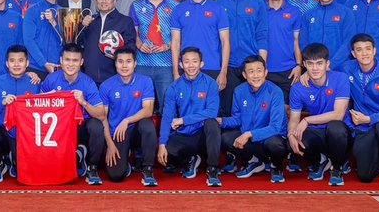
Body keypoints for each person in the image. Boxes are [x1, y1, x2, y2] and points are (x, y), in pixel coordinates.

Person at [338, 34, 379, 189]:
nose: (364, 53)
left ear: (374, 50)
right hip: (363, 126)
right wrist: (306, 73)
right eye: (359, 50)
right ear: (353, 54)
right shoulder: (347, 68)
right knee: (365, 176)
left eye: (368, 49)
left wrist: (369, 118)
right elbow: (328, 74)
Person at [40, 43, 106, 185]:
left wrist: (84, 102)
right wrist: (47, 98)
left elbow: (101, 114)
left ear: (81, 62)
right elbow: (38, 109)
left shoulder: (88, 83)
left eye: (75, 60)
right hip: (57, 129)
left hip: (79, 128)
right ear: (61, 60)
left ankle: (92, 167)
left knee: (96, 125)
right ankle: (76, 156)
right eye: (67, 60)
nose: (71, 64)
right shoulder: (51, 80)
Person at [288, 43, 351, 186]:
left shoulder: (340, 78)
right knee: (291, 139)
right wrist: (291, 134)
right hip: (318, 131)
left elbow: (338, 114)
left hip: (342, 132)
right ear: (304, 64)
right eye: (310, 63)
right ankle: (321, 160)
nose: (315, 68)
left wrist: (307, 120)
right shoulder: (298, 87)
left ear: (327, 64)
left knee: (336, 127)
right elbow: (294, 119)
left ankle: (337, 167)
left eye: (319, 63)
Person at [158, 47, 222, 187]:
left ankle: (212, 169)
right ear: (181, 64)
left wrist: (183, 120)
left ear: (201, 64)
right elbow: (167, 117)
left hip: (201, 135)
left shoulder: (210, 83)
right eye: (187, 62)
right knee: (165, 154)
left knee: (212, 123)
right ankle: (190, 160)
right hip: (183, 135)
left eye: (195, 61)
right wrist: (162, 144)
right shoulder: (174, 88)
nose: (191, 65)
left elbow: (212, 111)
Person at [218, 55, 288, 183]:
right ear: (244, 75)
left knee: (275, 144)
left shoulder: (275, 92)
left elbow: (275, 127)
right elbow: (238, 119)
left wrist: (249, 134)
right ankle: (253, 160)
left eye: (259, 70)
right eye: (251, 71)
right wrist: (220, 122)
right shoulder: (239, 91)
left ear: (266, 72)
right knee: (225, 138)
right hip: (251, 139)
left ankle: (276, 167)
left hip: (270, 138)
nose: (256, 75)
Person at [171, 0, 230, 113]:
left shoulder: (217, 8)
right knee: (185, 111)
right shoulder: (178, 9)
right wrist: (175, 73)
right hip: (185, 68)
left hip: (212, 68)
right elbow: (175, 43)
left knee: (211, 113)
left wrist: (223, 72)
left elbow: (225, 42)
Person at [99, 47, 157, 186]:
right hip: (117, 133)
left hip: (135, 128)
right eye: (120, 61)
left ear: (135, 63)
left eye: (128, 61)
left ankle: (148, 169)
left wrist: (127, 120)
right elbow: (102, 118)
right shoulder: (106, 86)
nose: (124, 66)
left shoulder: (145, 81)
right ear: (115, 64)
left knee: (148, 125)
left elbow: (148, 110)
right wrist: (110, 144)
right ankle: (125, 158)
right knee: (116, 175)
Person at [216, 0, 268, 115]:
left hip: (251, 64)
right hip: (227, 65)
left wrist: (262, 66)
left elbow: (262, 35)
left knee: (253, 109)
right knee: (228, 109)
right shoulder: (219, 4)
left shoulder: (258, 4)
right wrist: (222, 69)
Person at [0, 44, 40, 182]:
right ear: (7, 63)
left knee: (24, 173)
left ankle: (14, 160)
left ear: (27, 63)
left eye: (20, 60)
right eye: (12, 60)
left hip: (26, 133)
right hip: (3, 131)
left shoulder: (35, 82)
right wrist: (1, 104)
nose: (16, 64)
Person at [130, 0, 178, 113]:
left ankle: (166, 136)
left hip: (167, 65)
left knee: (168, 106)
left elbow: (179, 36)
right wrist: (139, 44)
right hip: (142, 64)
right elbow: (133, 32)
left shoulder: (175, 6)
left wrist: (166, 46)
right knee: (138, 106)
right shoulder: (136, 5)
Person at [78, 0, 136, 85]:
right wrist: (83, 26)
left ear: (114, 0)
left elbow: (130, 47)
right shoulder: (90, 21)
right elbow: (78, 43)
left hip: (114, 77)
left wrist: (118, 56)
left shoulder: (125, 21)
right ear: (96, 1)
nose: (104, 1)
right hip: (89, 77)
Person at [299, 0, 356, 70]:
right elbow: (303, 42)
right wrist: (314, 64)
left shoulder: (346, 12)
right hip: (314, 69)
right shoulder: (308, 15)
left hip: (340, 67)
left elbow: (348, 42)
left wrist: (331, 64)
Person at [264, 0, 303, 104]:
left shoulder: (295, 12)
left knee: (288, 111)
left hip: (288, 70)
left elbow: (297, 41)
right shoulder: (259, 10)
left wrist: (298, 65)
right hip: (264, 70)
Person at [23, 0, 63, 80]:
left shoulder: (63, 12)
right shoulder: (31, 11)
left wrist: (54, 23)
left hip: (58, 67)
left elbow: (66, 40)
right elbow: (28, 41)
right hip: (35, 68)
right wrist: (43, 63)